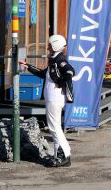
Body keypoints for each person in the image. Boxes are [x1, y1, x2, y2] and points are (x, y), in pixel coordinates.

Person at [19, 34, 74, 167]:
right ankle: (64, 154)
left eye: (50, 44)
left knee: (54, 127)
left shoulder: (59, 60)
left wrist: (62, 81)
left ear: (55, 45)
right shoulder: (54, 60)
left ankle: (62, 156)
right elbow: (44, 74)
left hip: (55, 98)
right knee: (55, 127)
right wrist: (28, 66)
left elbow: (70, 70)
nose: (48, 47)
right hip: (53, 97)